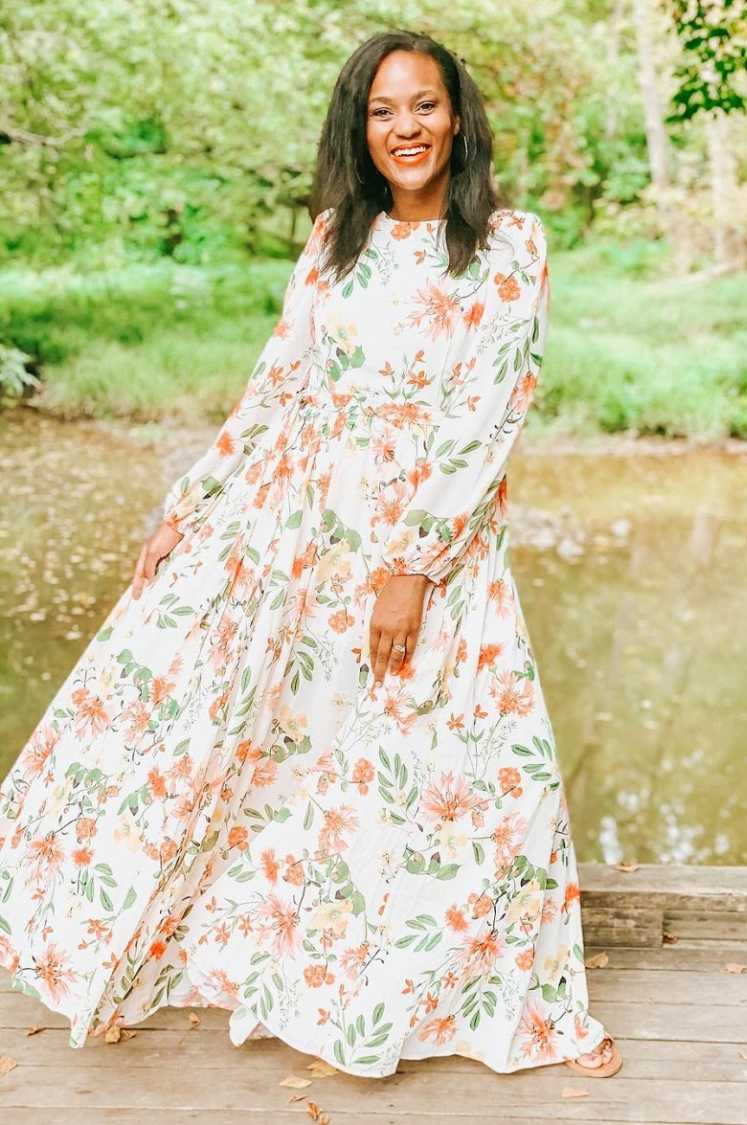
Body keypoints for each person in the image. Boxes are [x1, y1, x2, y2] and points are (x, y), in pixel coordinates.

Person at [0, 29, 621, 1080]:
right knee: (299, 758)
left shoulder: (511, 244)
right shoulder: (338, 235)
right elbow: (280, 382)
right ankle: (309, 976)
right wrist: (191, 502)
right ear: (360, 128)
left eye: (423, 106)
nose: (405, 128)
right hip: (305, 530)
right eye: (383, 112)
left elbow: (490, 412)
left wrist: (412, 565)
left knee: (456, 769)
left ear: (456, 117)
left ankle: (501, 999)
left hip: (433, 542)